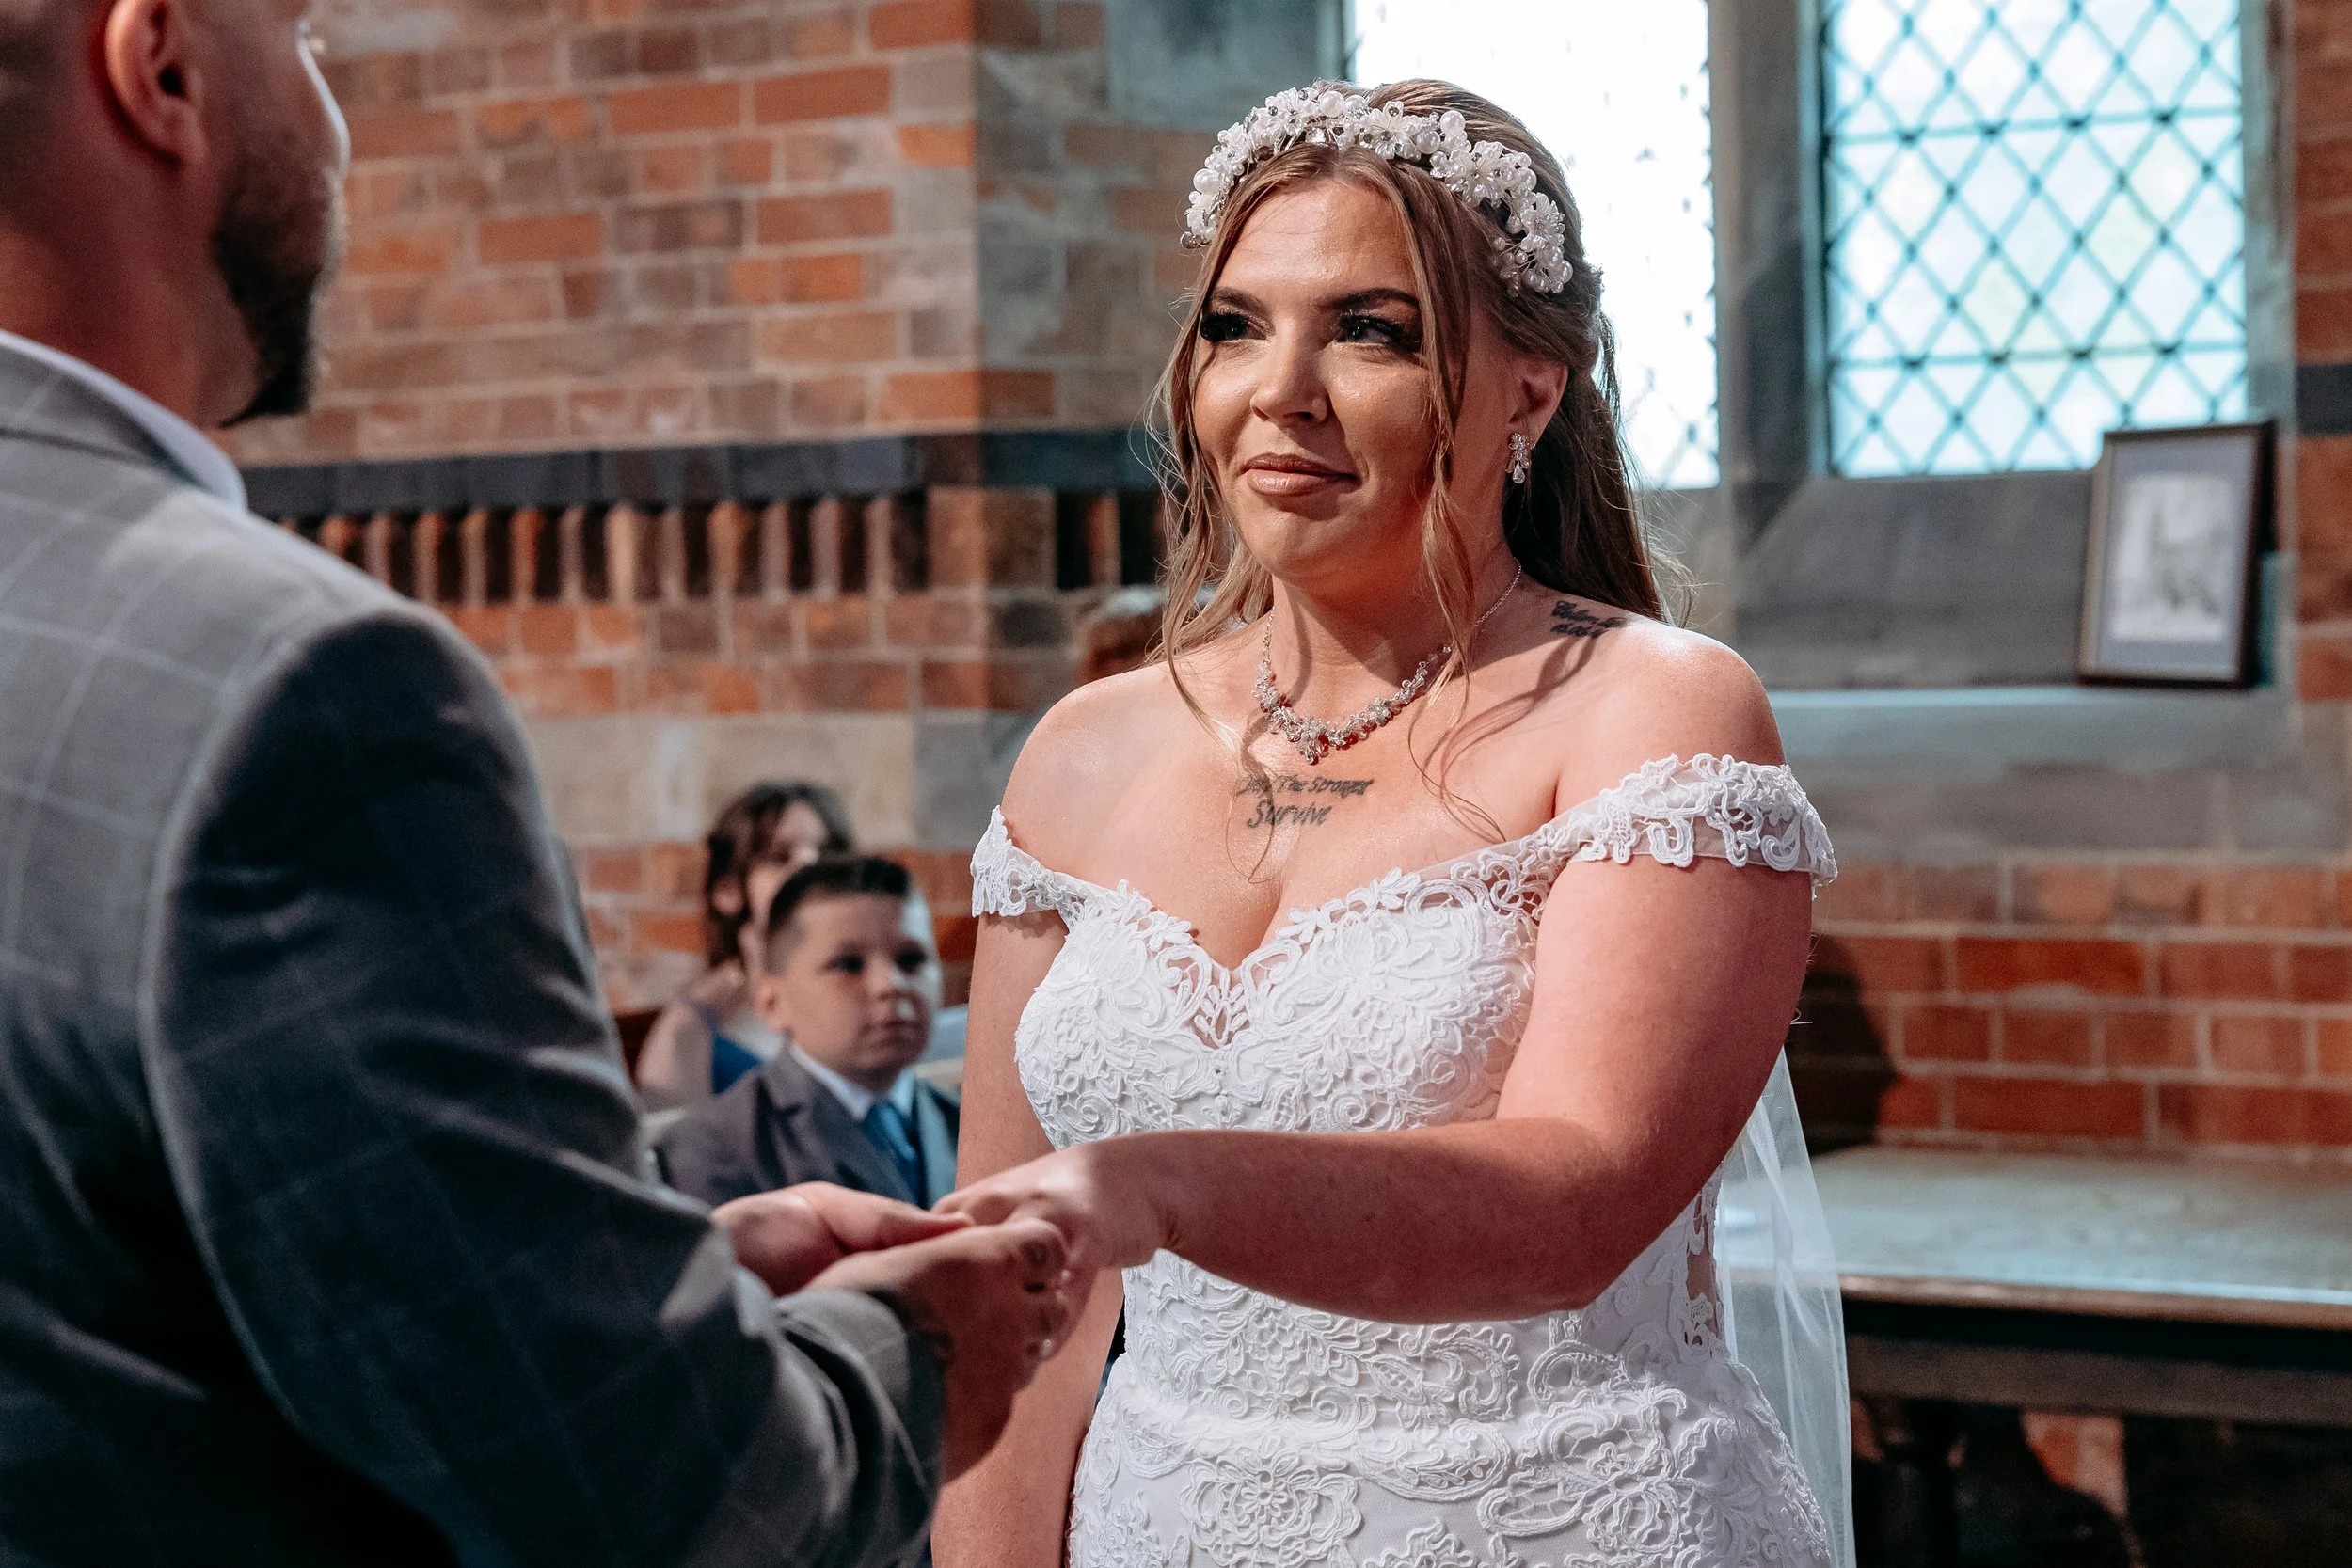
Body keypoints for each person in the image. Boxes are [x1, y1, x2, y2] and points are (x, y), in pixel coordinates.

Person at [0, 0, 1075, 1560]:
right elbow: (671, 1498)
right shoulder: (301, 690)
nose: (334, 119)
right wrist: (907, 1339)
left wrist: (628, 1267)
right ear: (158, 64)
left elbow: (125, 1294)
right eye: (305, 42)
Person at [932, 80, 1853, 1568]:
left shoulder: (1649, 713)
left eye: (1370, 329)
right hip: (1161, 1520)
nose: (1277, 389)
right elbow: (1009, 1294)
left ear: (1530, 395)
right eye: (1236, 325)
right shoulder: (1083, 753)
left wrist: (1159, 1184)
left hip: (1553, 1515)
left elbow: (1574, 1202)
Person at [659, 857, 962, 1210]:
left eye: (911, 960)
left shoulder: (967, 1123)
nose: (889, 985)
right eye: (848, 964)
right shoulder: (713, 1150)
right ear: (773, 1003)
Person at [635, 781, 857, 1111]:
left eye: (828, 853)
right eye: (780, 857)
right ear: (728, 891)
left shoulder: (867, 991)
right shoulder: (689, 1030)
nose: (811, 868)